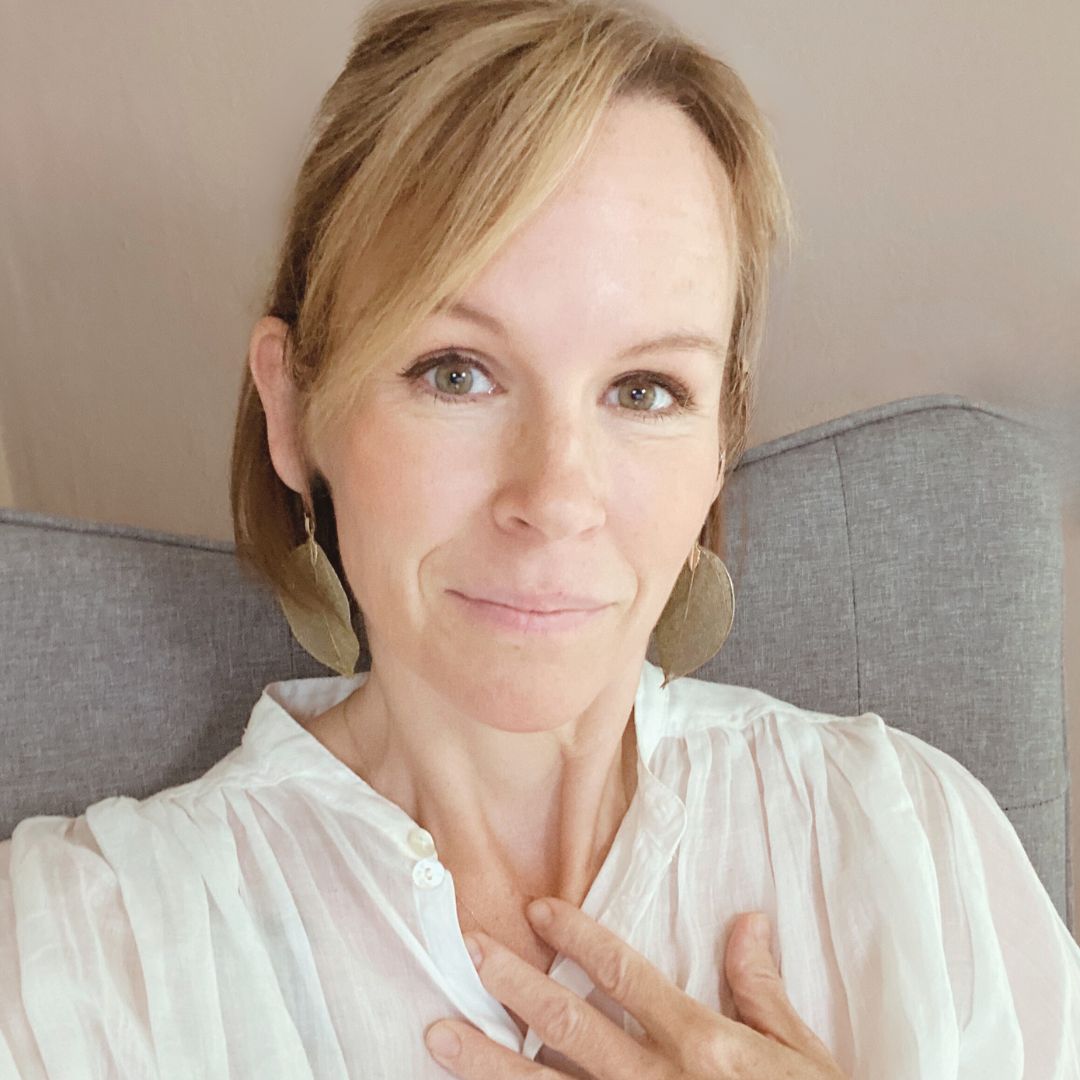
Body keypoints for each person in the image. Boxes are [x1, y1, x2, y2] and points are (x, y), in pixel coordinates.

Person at [2, 0, 1079, 1076]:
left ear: (721, 441)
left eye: (644, 389)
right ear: (293, 412)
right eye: (455, 373)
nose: (556, 498)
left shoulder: (915, 844)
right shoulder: (76, 961)